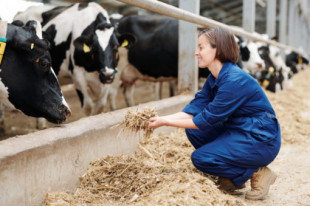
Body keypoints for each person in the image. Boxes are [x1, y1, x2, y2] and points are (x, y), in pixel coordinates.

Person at [149, 27, 281, 200]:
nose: (196, 53)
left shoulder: (234, 80)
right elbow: (193, 110)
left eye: (201, 47)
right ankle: (233, 178)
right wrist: (160, 119)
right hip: (240, 130)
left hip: (261, 138)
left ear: (217, 49)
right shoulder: (215, 77)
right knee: (194, 131)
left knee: (201, 158)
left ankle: (257, 172)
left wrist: (165, 123)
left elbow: (204, 119)